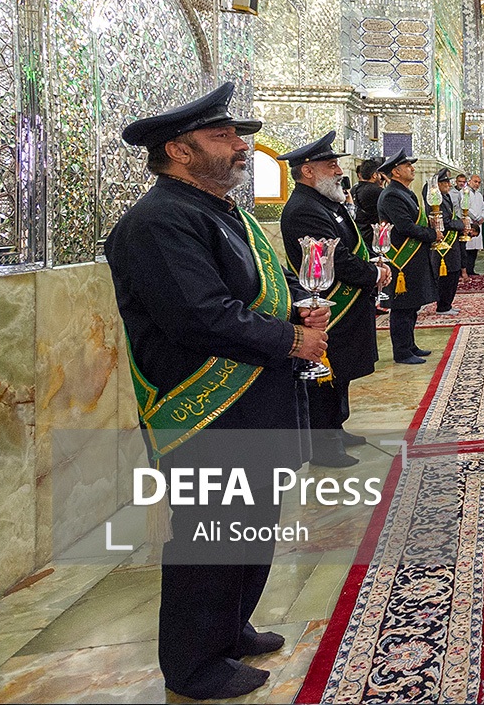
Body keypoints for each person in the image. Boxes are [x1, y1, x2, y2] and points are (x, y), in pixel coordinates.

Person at [104, 82, 329, 700]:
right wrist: (291, 340)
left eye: (237, 135)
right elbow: (199, 316)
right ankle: (195, 664)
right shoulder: (158, 222)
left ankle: (230, 628)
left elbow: (260, 285)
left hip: (253, 404)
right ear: (179, 150)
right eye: (223, 136)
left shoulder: (223, 212)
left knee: (250, 527)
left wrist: (301, 308)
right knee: (211, 536)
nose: (240, 146)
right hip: (208, 414)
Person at [276, 131, 390, 467]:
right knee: (325, 376)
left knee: (340, 373)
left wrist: (372, 268)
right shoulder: (304, 209)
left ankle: (337, 428)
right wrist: (373, 274)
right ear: (307, 171)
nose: (339, 170)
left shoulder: (325, 203)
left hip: (347, 303)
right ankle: (324, 447)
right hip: (328, 306)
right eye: (331, 165)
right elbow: (335, 259)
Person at [377, 150, 437, 363]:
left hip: (413, 258)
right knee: (402, 307)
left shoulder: (405, 192)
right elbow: (405, 227)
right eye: (408, 166)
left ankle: (410, 345)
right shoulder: (392, 195)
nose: (412, 169)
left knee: (412, 305)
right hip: (402, 259)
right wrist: (432, 235)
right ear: (396, 171)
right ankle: (402, 351)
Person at [430, 169, 465, 314]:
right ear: (438, 184)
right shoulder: (436, 198)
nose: (449, 185)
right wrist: (461, 224)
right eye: (446, 182)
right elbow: (445, 222)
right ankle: (443, 306)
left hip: (452, 242)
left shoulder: (446, 197)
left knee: (454, 272)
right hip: (444, 242)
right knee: (447, 274)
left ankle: (447, 304)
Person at [351, 156, 384, 247]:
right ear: (374, 175)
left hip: (359, 235)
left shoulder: (354, 189)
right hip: (373, 237)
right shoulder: (377, 191)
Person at [462, 173, 484, 275]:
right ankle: (465, 270)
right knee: (467, 248)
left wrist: (483, 217)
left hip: (478, 223)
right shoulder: (464, 192)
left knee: (475, 249)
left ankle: (471, 269)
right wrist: (476, 217)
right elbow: (465, 207)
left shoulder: (479, 195)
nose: (477, 184)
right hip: (469, 222)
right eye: (475, 182)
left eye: (479, 182)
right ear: (469, 181)